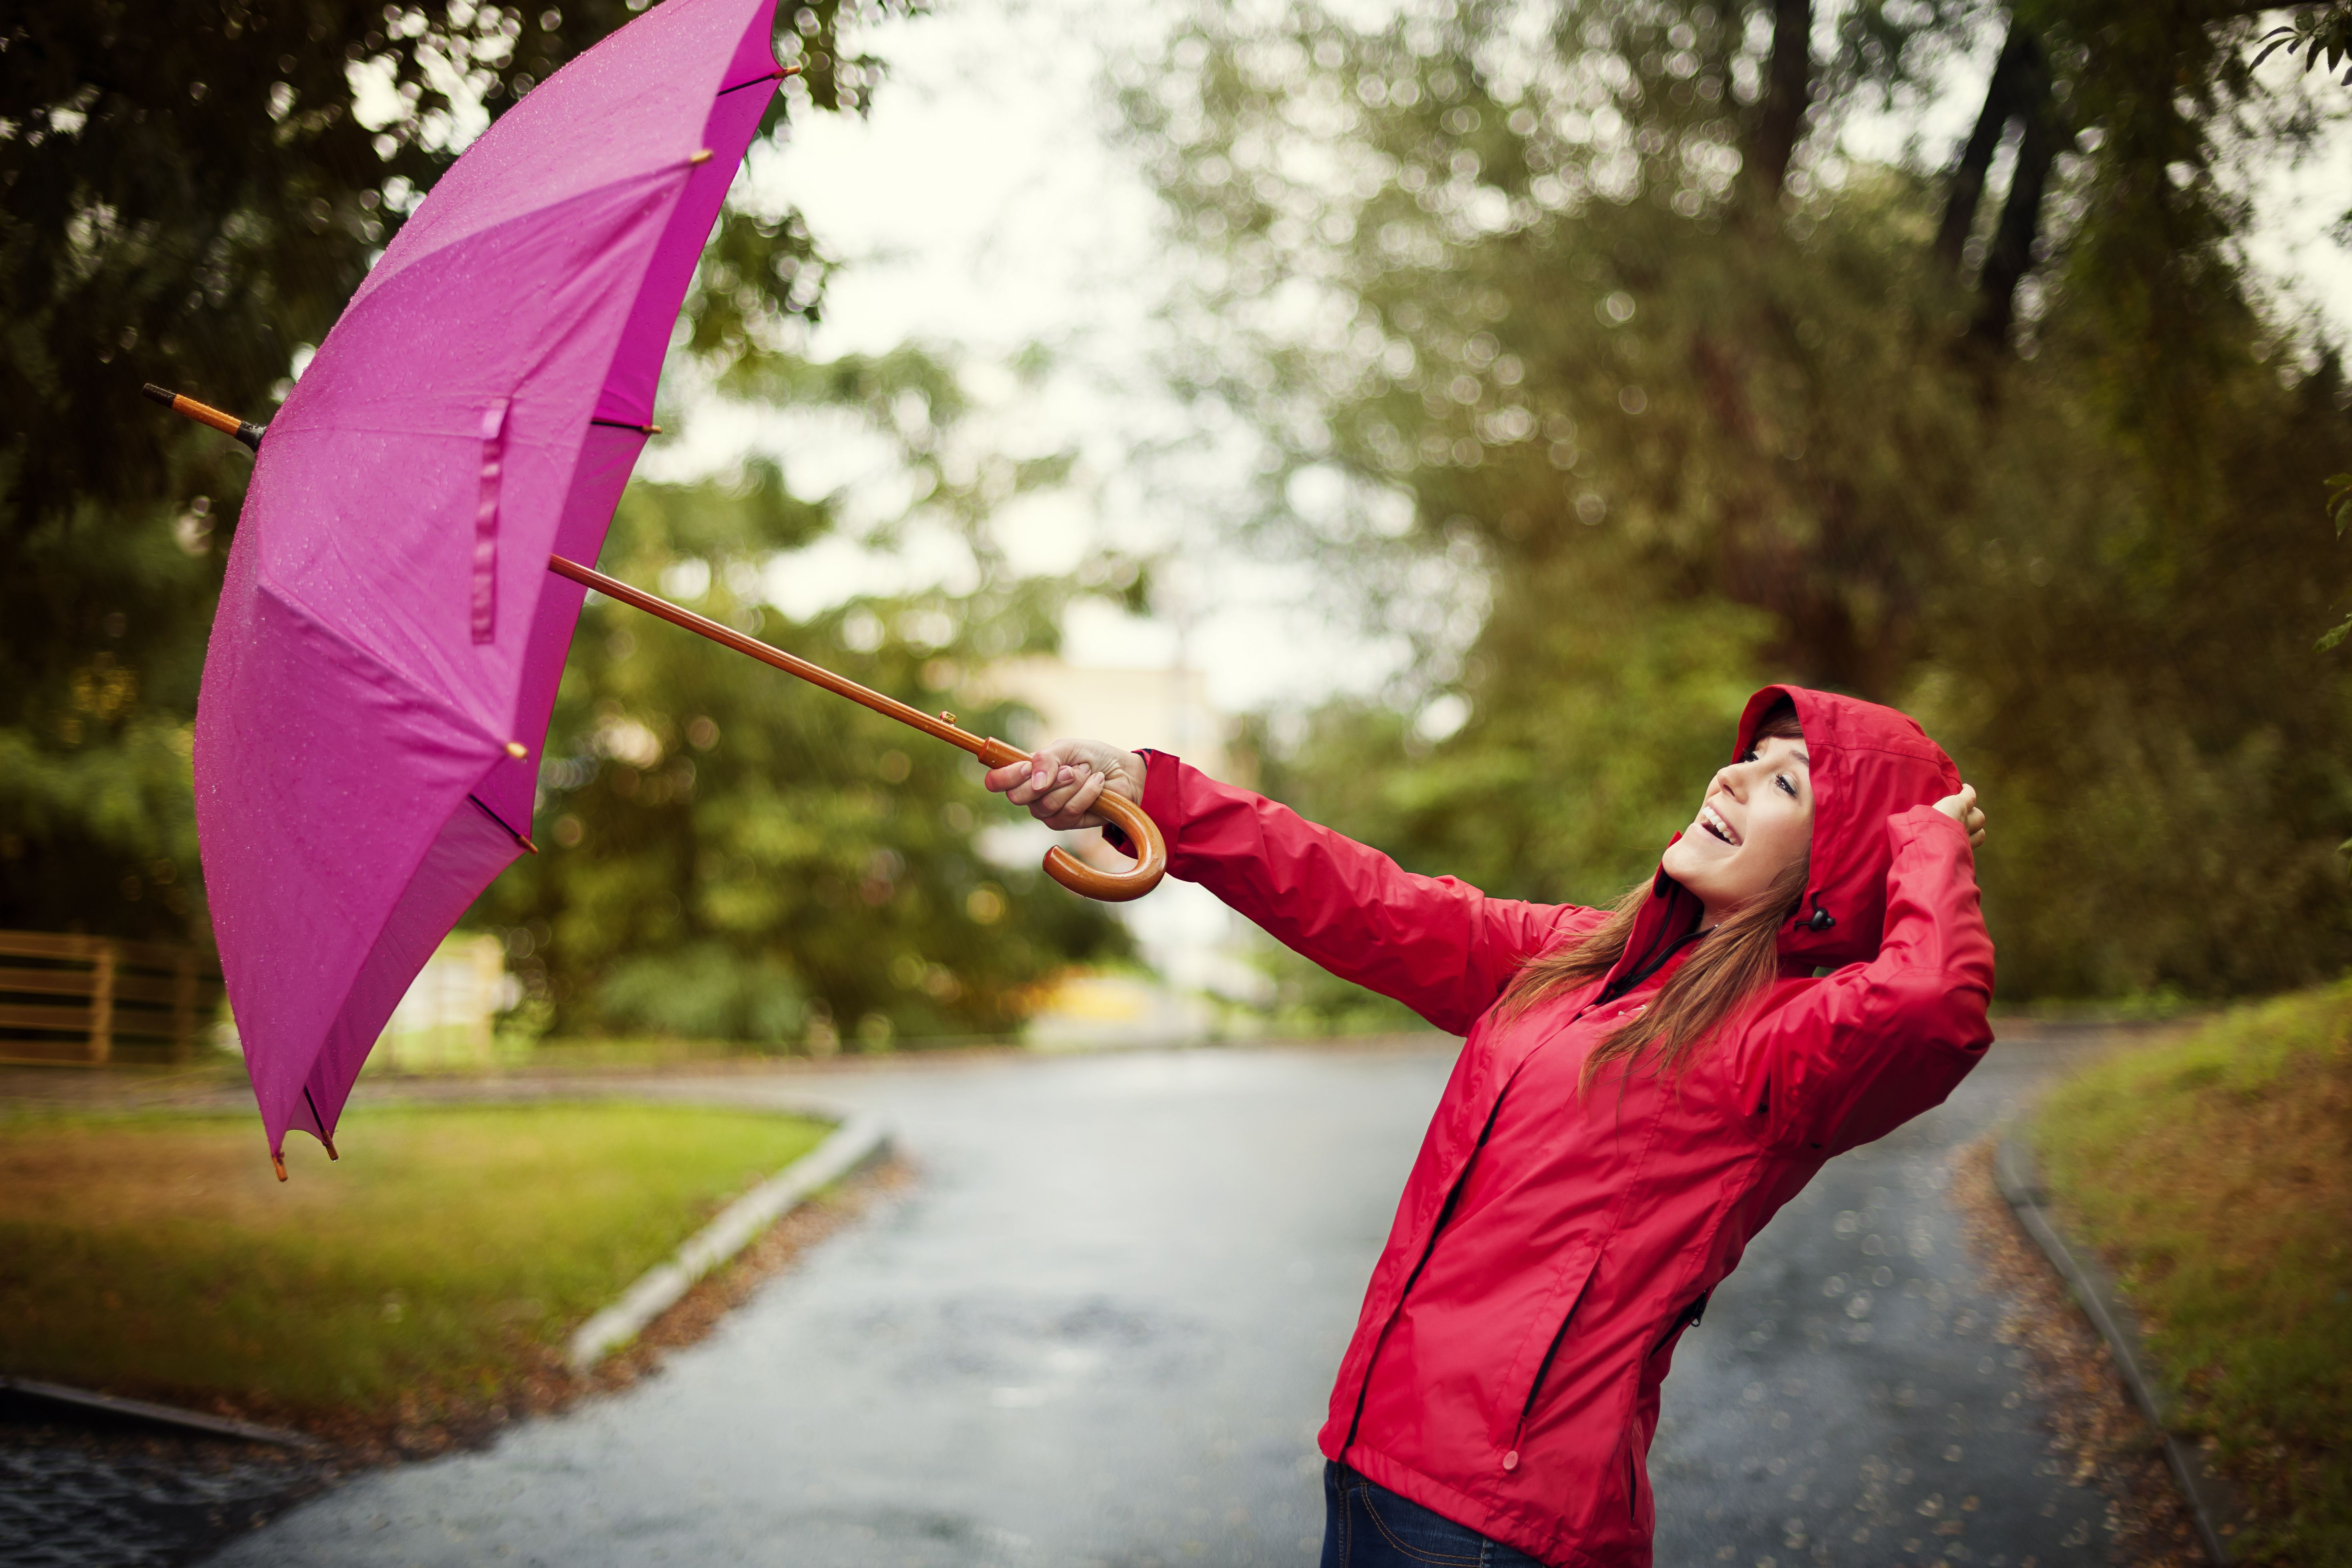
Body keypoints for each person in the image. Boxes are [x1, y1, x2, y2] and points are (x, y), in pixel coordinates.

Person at [985, 685, 1993, 1568]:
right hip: (1376, 1462)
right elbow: (1365, 898)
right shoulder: (1577, 960)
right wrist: (1156, 794)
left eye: (1787, 782)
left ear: (1841, 866)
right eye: (1748, 757)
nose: (1732, 777)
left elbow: (1930, 1008)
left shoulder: (1785, 1042)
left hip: (1503, 1524)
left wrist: (1926, 841)